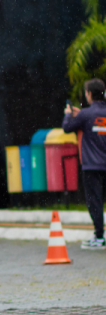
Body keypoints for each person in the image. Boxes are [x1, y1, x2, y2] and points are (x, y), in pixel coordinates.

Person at [63, 78, 106, 250]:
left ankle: (99, 236)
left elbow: (67, 127)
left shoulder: (85, 114)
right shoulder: (88, 114)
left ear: (89, 94)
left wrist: (68, 113)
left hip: (92, 166)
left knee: (94, 201)